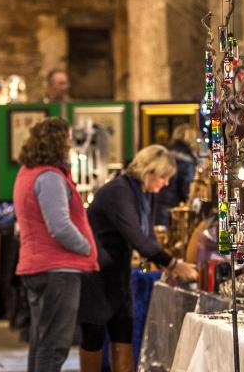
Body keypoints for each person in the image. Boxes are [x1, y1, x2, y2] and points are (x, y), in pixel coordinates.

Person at [78, 145, 198, 372]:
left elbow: (147, 234)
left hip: (118, 274)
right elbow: (135, 236)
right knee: (93, 336)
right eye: (163, 177)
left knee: (123, 332)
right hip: (96, 274)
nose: (165, 184)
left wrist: (165, 264)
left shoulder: (143, 192)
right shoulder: (119, 191)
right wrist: (172, 263)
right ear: (148, 171)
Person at [14, 118, 98, 372]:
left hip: (39, 265)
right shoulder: (49, 177)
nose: (71, 144)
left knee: (41, 343)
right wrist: (86, 247)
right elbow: (59, 226)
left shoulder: (28, 173)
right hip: (57, 269)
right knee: (54, 346)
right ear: (57, 142)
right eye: (68, 139)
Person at [155, 124, 199, 227]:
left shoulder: (164, 150)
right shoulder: (186, 158)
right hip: (172, 205)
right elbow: (185, 186)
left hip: (155, 200)